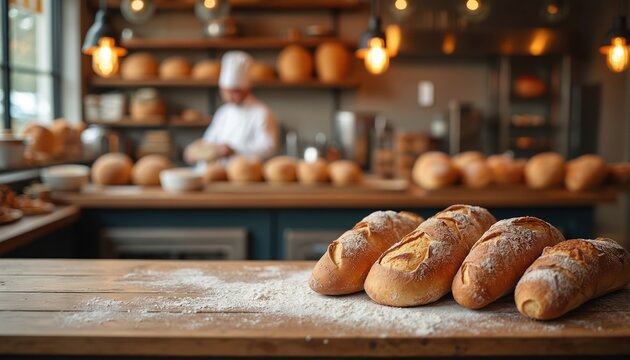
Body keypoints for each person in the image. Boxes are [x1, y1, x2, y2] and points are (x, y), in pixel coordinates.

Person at [185, 51, 278, 168]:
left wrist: (234, 150)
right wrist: (198, 150)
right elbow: (209, 141)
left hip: (245, 174)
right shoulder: (223, 112)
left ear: (247, 89)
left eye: (234, 92)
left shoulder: (262, 112)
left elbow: (269, 147)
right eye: (225, 91)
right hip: (218, 172)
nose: (229, 96)